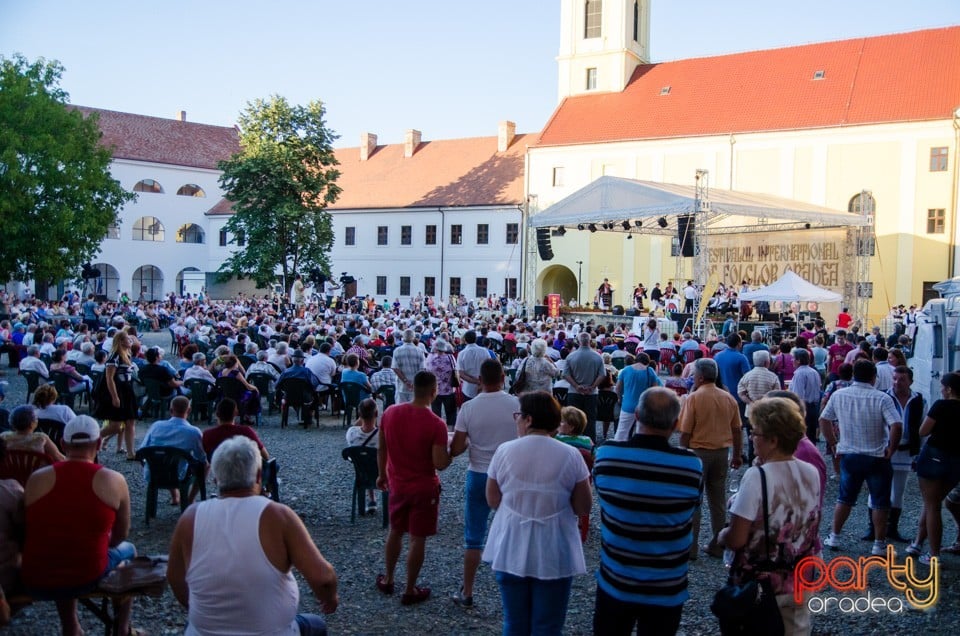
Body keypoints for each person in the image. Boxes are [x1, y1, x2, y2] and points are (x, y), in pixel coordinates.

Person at [167, 436, 338, 636]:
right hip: (272, 631)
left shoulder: (190, 518)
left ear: (215, 478)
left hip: (204, 631)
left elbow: (174, 577)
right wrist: (330, 598)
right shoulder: (278, 516)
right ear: (258, 476)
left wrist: (204, 610)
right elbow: (323, 577)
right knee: (316, 625)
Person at [593, 387, 702, 636]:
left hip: (616, 578)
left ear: (637, 416)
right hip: (667, 584)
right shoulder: (690, 466)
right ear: (675, 424)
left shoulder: (608, 455)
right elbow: (692, 507)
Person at [482, 391, 591, 635]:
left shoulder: (504, 451)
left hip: (511, 542)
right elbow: (584, 506)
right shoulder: (571, 455)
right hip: (555, 545)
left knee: (514, 623)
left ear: (528, 419)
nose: (516, 420)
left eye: (517, 415)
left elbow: (492, 498)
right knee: (548, 626)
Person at [21, 415, 137, 636]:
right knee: (129, 550)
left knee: (61, 546)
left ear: (63, 445)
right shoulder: (114, 480)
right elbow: (121, 535)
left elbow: (27, 527)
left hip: (36, 574)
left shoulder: (36, 478)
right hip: (86, 574)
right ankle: (122, 628)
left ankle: (71, 625)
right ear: (99, 443)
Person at [719, 397, 822, 635]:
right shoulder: (811, 472)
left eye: (755, 433)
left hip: (761, 584)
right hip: (799, 578)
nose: (752, 438)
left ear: (773, 440)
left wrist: (721, 534)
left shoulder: (758, 476)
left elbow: (736, 538)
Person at [376, 371, 451, 605]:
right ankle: (410, 589)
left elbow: (381, 448)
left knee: (395, 531)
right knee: (418, 538)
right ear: (434, 391)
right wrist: (456, 451)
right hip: (424, 488)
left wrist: (381, 474)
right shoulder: (436, 424)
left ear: (413, 388)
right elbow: (440, 463)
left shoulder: (390, 413)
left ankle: (388, 578)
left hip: (397, 484)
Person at [449, 359, 519, 608]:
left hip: (479, 472)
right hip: (509, 474)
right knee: (513, 531)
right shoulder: (516, 405)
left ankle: (467, 591)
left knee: (474, 537)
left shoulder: (469, 408)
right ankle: (514, 591)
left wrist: (469, 443)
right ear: (503, 377)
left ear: (479, 380)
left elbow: (456, 448)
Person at [820, 360, 902, 555]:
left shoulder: (839, 395)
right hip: (877, 455)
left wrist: (832, 442)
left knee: (845, 498)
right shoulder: (882, 398)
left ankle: (834, 536)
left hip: (850, 454)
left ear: (854, 374)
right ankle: (879, 544)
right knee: (880, 501)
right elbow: (897, 425)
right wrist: (892, 448)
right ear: (874, 377)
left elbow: (824, 418)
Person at [678, 358, 743, 559]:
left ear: (700, 377)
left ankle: (691, 548)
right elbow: (737, 429)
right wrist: (738, 454)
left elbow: (685, 431)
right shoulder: (728, 397)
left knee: (693, 500)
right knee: (718, 501)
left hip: (697, 453)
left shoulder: (694, 398)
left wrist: (682, 452)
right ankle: (717, 544)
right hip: (722, 452)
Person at [907, 372, 960, 565]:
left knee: (932, 505)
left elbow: (923, 431)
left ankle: (934, 554)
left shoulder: (941, 406)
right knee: (932, 502)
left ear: (950, 389)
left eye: (943, 386)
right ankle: (918, 543)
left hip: (934, 457)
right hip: (956, 461)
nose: (941, 389)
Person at [138, 396, 208, 507]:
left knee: (165, 458)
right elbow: (202, 457)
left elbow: (141, 451)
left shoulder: (156, 426)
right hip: (179, 474)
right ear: (189, 411)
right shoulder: (193, 432)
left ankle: (175, 496)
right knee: (204, 465)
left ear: (170, 410)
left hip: (153, 473)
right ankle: (190, 499)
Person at [96, 331, 138, 460]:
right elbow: (109, 378)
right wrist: (114, 396)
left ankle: (131, 453)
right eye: (127, 339)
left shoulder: (126, 355)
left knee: (130, 421)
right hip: (119, 390)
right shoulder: (114, 357)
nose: (130, 341)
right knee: (115, 425)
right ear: (120, 341)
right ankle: (94, 437)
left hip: (127, 389)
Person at [563, 332, 607, 444]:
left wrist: (576, 386)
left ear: (578, 341)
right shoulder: (597, 356)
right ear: (590, 341)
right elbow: (602, 375)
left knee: (572, 419)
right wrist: (592, 387)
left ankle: (572, 442)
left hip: (574, 392)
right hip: (591, 393)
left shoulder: (571, 356)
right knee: (590, 420)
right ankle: (590, 444)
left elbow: (565, 374)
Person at [613, 352, 663, 441]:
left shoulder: (626, 370)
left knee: (622, 431)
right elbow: (655, 389)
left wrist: (620, 398)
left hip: (627, 405)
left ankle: (618, 450)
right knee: (642, 432)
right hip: (644, 406)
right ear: (647, 361)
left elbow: (618, 388)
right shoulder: (649, 371)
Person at [202, 398, 270, 461]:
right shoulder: (246, 432)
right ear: (236, 413)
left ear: (217, 414)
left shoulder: (207, 435)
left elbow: (202, 457)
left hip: (217, 472)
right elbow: (265, 456)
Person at [346, 398, 380, 513]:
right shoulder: (382, 436)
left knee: (365, 462)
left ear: (359, 414)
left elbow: (355, 426)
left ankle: (371, 498)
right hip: (382, 473)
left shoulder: (351, 433)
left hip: (362, 474)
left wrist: (362, 415)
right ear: (376, 413)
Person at [789, 348, 822, 443]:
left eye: (793, 358)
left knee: (801, 439)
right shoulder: (814, 372)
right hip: (814, 407)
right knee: (811, 439)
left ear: (798, 360)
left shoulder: (799, 374)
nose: (792, 361)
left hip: (803, 408)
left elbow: (797, 395)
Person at [424, 339, 457, 429]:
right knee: (451, 412)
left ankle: (437, 429)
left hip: (435, 390)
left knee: (436, 412)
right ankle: (450, 429)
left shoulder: (430, 359)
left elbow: (426, 370)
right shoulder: (450, 358)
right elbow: (456, 370)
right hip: (449, 390)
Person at [456, 330, 490, 404]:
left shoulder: (462, 354)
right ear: (476, 339)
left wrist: (476, 381)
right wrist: (480, 382)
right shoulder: (484, 351)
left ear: (465, 340)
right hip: (483, 386)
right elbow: (490, 367)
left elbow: (461, 374)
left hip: (469, 388)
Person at [393, 329, 426, 404]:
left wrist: (405, 381)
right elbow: (422, 369)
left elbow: (395, 368)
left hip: (401, 385)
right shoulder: (420, 351)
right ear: (413, 338)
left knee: (401, 410)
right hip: (416, 385)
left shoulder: (397, 351)